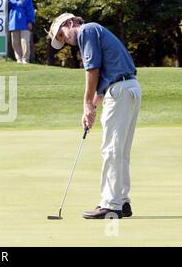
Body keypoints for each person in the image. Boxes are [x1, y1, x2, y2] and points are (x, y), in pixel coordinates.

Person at [48, 13, 142, 219]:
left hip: (120, 90)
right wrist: (94, 105)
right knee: (121, 150)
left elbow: (92, 70)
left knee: (111, 150)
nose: (66, 42)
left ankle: (110, 204)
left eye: (62, 35)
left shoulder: (87, 30)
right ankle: (122, 201)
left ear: (69, 23)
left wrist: (86, 105)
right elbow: (105, 75)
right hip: (129, 88)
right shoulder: (96, 31)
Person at [8, 0, 35, 64]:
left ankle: (25, 59)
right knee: (15, 43)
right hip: (13, 24)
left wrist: (30, 21)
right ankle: (18, 59)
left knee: (25, 42)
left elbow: (30, 11)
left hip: (25, 24)